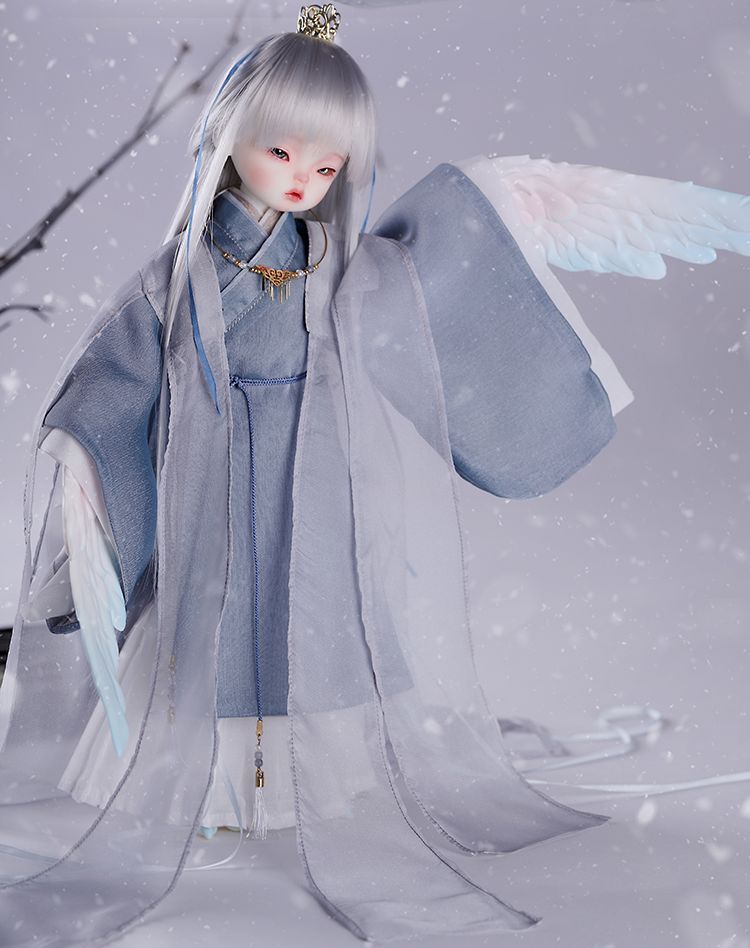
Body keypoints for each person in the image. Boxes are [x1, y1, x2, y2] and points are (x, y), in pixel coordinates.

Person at [2, 4, 749, 944]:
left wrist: (486, 228)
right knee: (217, 618)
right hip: (212, 476)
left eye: (327, 168)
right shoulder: (181, 273)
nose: (303, 181)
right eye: (283, 155)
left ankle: (289, 780)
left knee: (308, 612)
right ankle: (211, 783)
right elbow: (115, 375)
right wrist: (82, 443)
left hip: (309, 473)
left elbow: (429, 296)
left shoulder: (336, 261)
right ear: (230, 142)